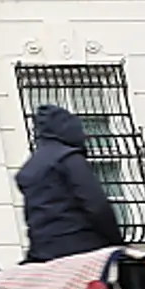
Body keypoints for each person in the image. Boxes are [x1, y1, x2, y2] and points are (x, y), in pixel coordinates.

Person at [14, 104, 123, 263]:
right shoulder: (69, 159)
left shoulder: (32, 166)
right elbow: (97, 206)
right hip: (81, 246)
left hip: (43, 250)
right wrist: (116, 242)